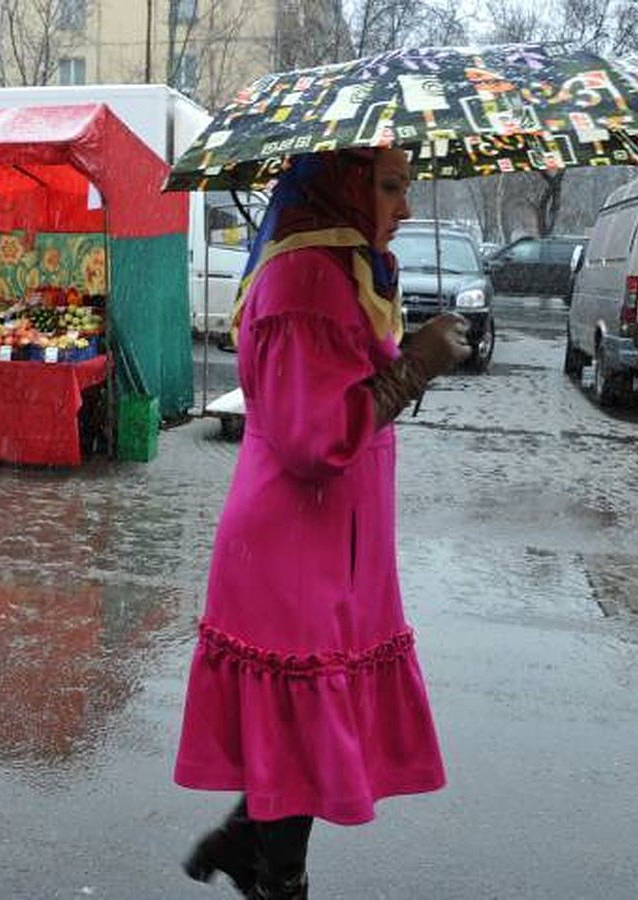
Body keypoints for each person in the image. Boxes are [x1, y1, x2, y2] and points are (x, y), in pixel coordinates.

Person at [175, 148, 472, 900]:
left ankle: (246, 844)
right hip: (294, 543)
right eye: (392, 187)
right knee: (301, 718)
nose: (405, 207)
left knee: (303, 725)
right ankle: (276, 877)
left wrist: (406, 355)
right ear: (346, 186)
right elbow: (315, 438)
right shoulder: (306, 278)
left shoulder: (340, 269)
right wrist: (415, 367)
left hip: (328, 538)